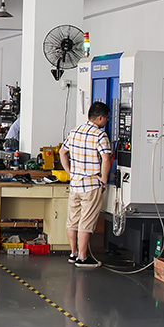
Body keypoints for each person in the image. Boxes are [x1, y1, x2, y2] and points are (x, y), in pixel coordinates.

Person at [59, 101, 112, 268]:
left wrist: (70, 173)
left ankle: (73, 253)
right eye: (107, 118)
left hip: (75, 185)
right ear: (100, 118)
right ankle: (83, 257)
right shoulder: (100, 136)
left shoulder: (74, 132)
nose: (107, 121)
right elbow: (106, 159)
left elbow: (62, 152)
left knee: (72, 219)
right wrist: (104, 178)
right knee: (86, 221)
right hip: (91, 185)